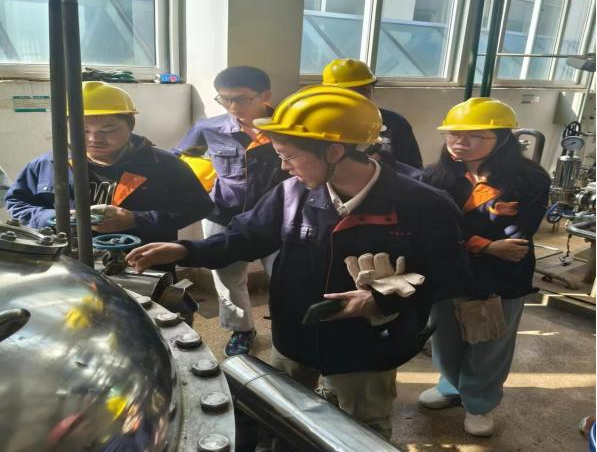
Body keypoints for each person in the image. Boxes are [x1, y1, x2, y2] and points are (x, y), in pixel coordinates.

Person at [127, 85, 470, 438]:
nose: (283, 166)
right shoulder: (292, 193)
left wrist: (378, 299)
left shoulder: (424, 205)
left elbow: (452, 275)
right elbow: (246, 236)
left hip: (368, 345)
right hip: (296, 333)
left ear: (334, 151)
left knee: (364, 427)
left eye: (289, 155)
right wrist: (187, 251)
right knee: (284, 415)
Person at [5, 81, 213, 322]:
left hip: (144, 268)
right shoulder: (48, 165)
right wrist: (53, 217)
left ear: (130, 125)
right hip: (70, 267)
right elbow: (17, 203)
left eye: (108, 130)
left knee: (148, 324)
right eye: (83, 130)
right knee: (78, 324)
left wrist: (136, 219)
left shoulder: (164, 165)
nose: (94, 139)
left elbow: (198, 206)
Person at [418, 97, 551, 437]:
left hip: (502, 275)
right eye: (453, 134)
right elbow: (432, 228)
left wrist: (476, 241)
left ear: (503, 138)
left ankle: (479, 402)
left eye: (474, 136)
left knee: (491, 340)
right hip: (448, 269)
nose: (460, 142)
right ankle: (451, 386)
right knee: (446, 334)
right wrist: (486, 245)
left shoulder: (529, 179)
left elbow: (519, 235)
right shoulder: (435, 176)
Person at [171, 66, 289, 356]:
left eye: (242, 99)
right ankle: (242, 330)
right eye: (224, 99)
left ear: (265, 96)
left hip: (278, 216)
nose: (233, 106)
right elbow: (177, 161)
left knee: (285, 276)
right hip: (223, 213)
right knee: (227, 278)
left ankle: (288, 329)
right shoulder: (208, 129)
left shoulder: (288, 126)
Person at [322, 58, 423, 169]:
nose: (357, 97)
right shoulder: (318, 125)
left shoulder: (395, 123)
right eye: (348, 92)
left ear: (372, 90)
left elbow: (414, 171)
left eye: (363, 90)